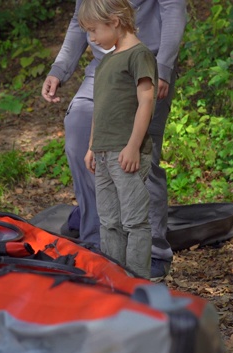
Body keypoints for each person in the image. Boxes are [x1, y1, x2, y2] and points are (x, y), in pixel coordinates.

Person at [41, 0, 186, 279]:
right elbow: (79, 18)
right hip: (103, 64)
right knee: (79, 137)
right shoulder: (99, 39)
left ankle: (153, 253)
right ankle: (98, 239)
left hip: (146, 61)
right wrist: (59, 69)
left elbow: (174, 10)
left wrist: (164, 67)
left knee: (141, 156)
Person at [78, 0, 157, 278]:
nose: (91, 38)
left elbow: (146, 101)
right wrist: (91, 147)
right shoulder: (106, 62)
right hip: (102, 154)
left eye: (94, 30)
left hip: (126, 154)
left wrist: (133, 146)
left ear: (114, 21)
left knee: (134, 221)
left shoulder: (139, 55)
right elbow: (99, 109)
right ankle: (114, 280)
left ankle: (137, 283)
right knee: (109, 221)